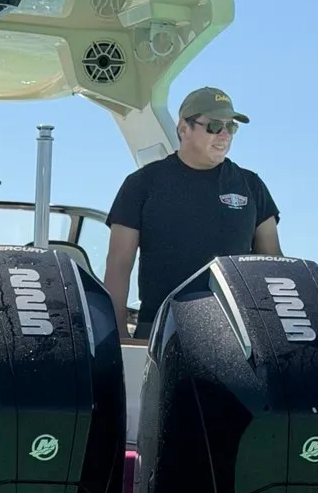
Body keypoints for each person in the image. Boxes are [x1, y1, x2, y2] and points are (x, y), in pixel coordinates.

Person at [104, 87, 282, 342]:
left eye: (230, 127)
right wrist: (117, 336)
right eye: (213, 126)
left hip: (236, 336)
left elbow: (273, 266)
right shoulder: (142, 184)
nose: (224, 135)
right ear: (183, 129)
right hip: (161, 333)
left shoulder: (251, 186)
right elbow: (118, 265)